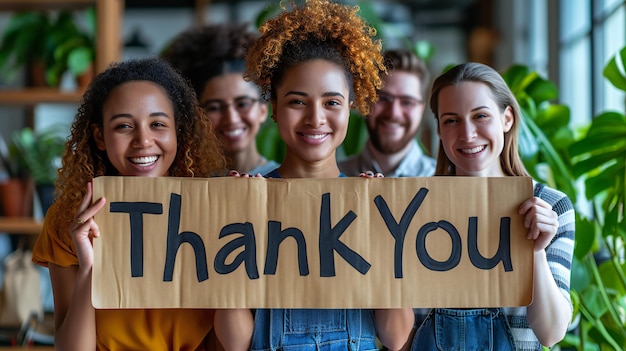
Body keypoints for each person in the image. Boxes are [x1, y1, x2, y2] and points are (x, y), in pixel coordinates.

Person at [215, 0, 415, 350]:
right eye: (296, 101)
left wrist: (385, 237)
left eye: (331, 102)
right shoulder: (247, 198)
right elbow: (235, 342)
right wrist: (236, 222)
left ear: (352, 106)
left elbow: (396, 338)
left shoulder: (376, 202)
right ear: (273, 108)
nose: (315, 118)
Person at [31, 57, 228, 350]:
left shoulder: (214, 212)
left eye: (158, 124)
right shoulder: (68, 220)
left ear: (179, 131)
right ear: (100, 136)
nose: (143, 141)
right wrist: (89, 268)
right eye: (124, 126)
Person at [411, 62, 575, 350]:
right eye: (452, 120)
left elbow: (551, 332)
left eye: (481, 116)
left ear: (507, 118)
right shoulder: (413, 206)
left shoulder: (552, 206)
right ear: (438, 129)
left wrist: (534, 251)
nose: (468, 134)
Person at [161, 23, 280, 176]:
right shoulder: (189, 185)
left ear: (263, 110)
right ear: (196, 116)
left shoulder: (284, 181)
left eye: (243, 104)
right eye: (215, 107)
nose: (231, 118)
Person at [339, 48, 436, 177]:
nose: (393, 113)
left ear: (421, 109)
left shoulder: (442, 180)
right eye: (383, 98)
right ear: (366, 101)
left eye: (407, 102)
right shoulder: (335, 179)